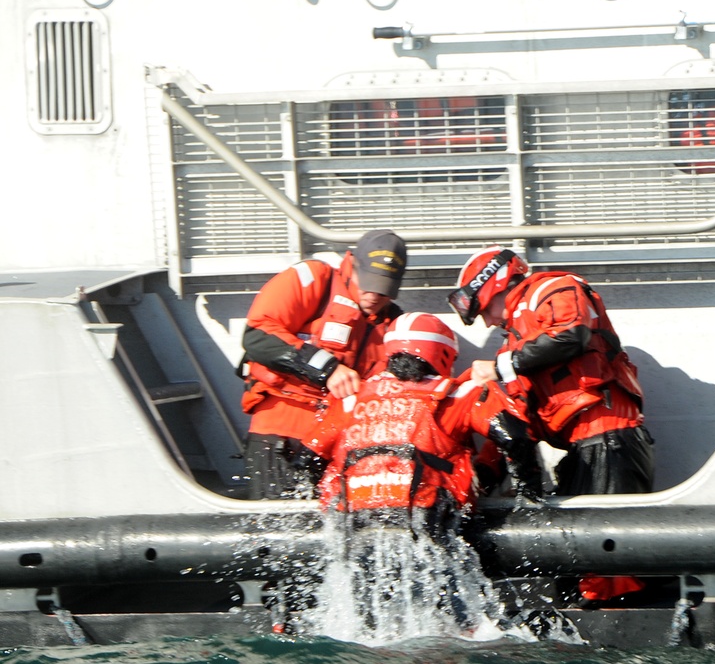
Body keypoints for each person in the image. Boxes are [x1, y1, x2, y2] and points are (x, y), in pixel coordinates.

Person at [307, 312, 542, 638]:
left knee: (366, 628)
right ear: (444, 355)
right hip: (427, 522)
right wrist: (530, 495)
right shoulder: (459, 393)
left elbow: (309, 456)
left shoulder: (349, 398)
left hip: (352, 523)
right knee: (466, 625)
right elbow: (515, 438)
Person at [448, 246, 656, 606]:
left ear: (494, 285)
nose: (487, 322)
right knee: (579, 573)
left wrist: (500, 367)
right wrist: (478, 475)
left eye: (484, 311)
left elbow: (571, 334)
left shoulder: (553, 288)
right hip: (586, 449)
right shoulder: (515, 344)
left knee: (606, 574)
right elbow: (514, 418)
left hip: (608, 435)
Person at [239, 229, 407, 500]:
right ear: (351, 263)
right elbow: (257, 335)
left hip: (338, 444)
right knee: (278, 528)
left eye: (384, 289)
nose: (374, 296)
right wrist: (327, 368)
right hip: (281, 431)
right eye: (368, 283)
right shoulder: (313, 279)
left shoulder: (394, 324)